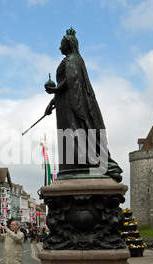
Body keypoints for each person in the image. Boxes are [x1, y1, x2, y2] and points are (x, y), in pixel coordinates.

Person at [44, 27, 123, 182]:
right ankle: (79, 164)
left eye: (62, 44)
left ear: (69, 45)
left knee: (73, 134)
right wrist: (53, 102)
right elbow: (67, 85)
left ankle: (83, 163)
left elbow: (72, 81)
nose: (59, 47)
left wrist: (54, 89)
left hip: (72, 106)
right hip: (66, 104)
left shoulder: (72, 60)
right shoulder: (74, 60)